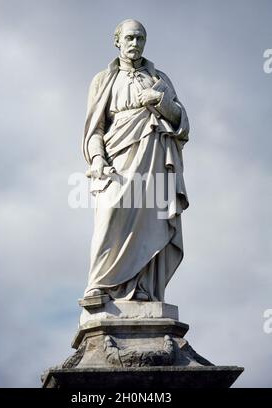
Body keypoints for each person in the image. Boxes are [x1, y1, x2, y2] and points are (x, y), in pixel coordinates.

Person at [82, 19, 189, 301]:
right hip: (116, 162)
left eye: (140, 39)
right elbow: (95, 129)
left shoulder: (159, 79)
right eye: (129, 38)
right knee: (110, 215)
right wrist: (96, 158)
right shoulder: (103, 80)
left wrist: (160, 100)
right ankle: (100, 285)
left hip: (154, 159)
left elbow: (182, 124)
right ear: (117, 40)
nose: (135, 44)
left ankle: (142, 289)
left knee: (150, 222)